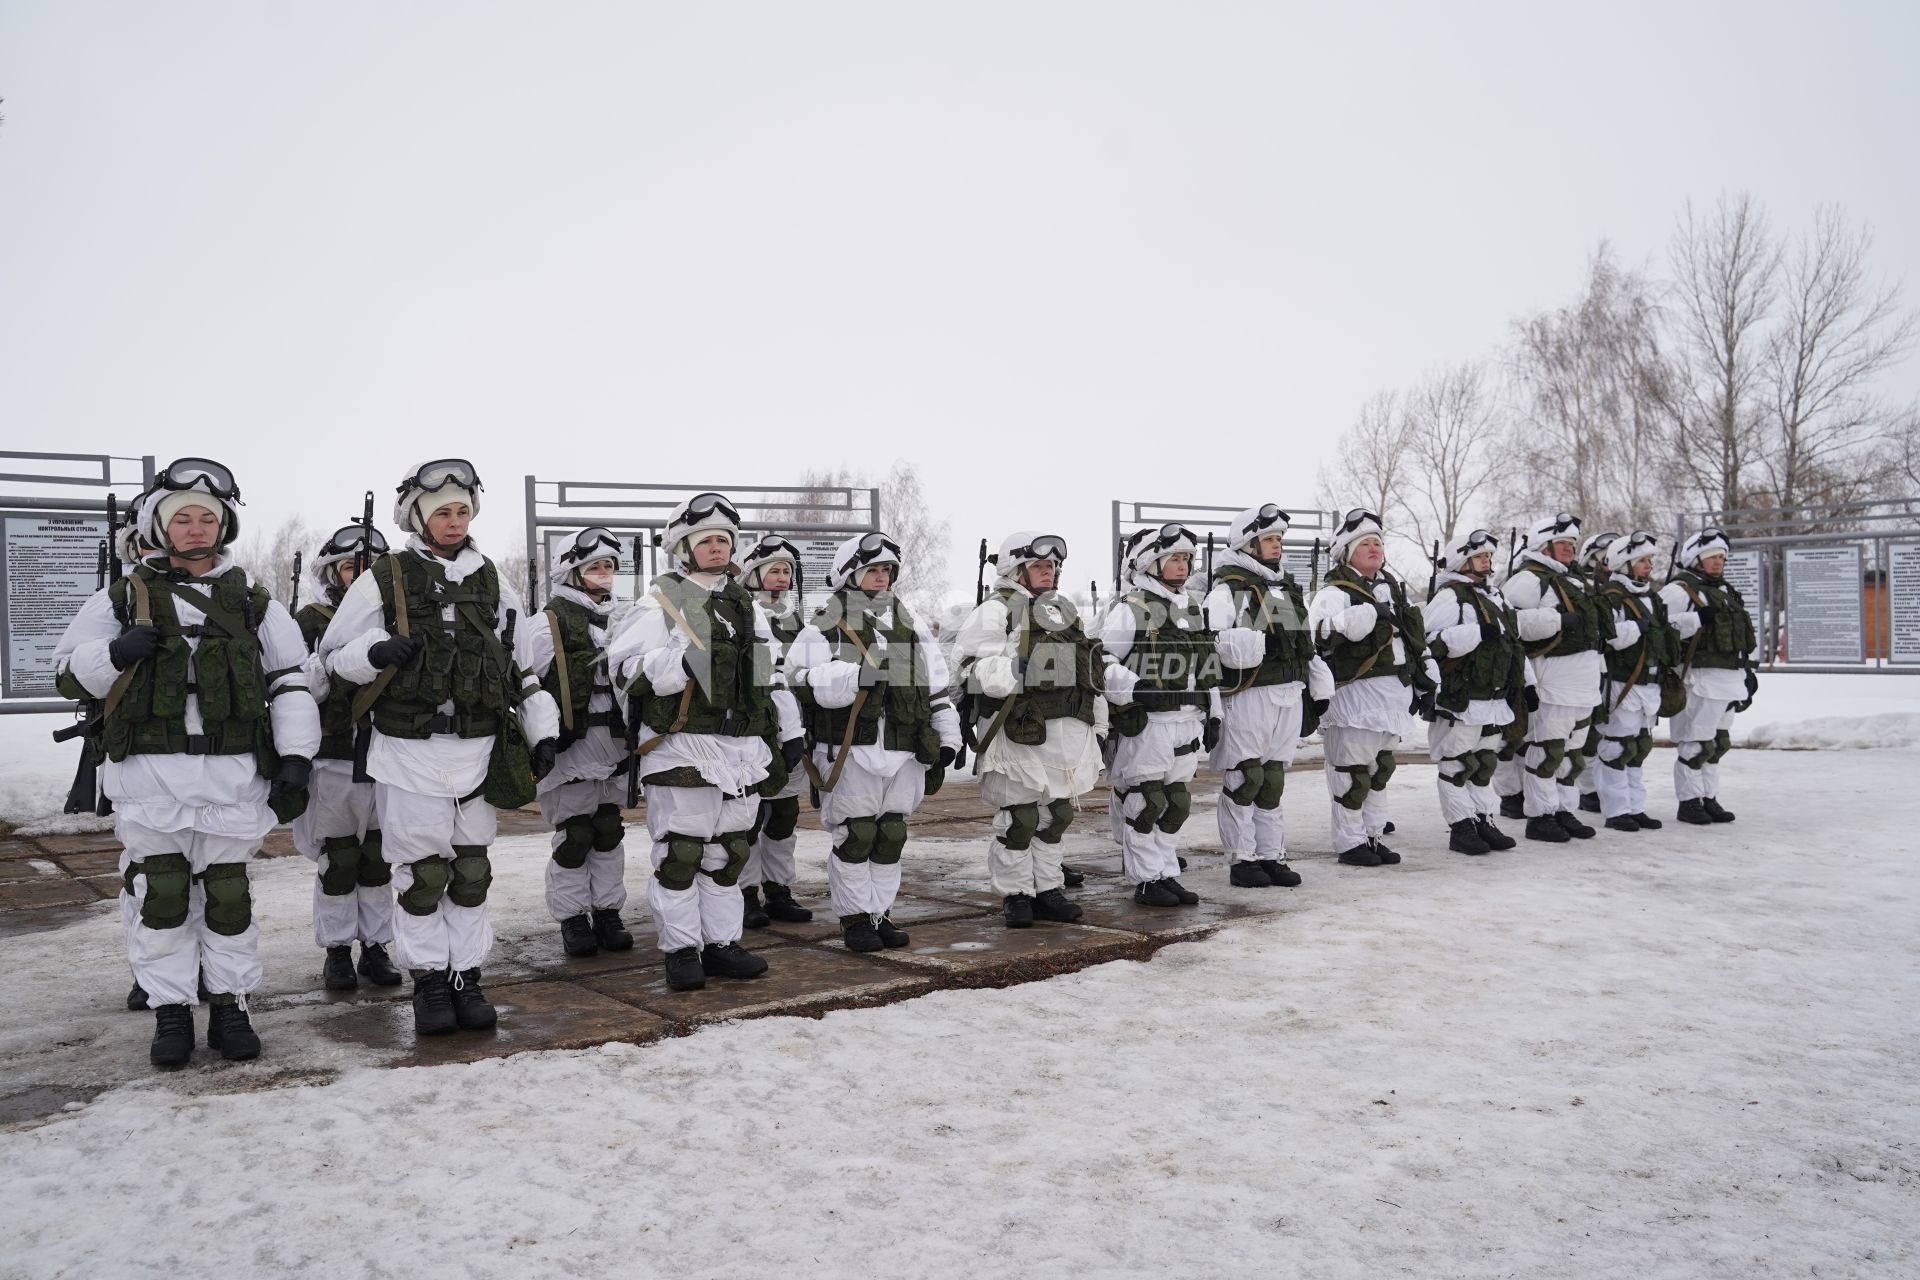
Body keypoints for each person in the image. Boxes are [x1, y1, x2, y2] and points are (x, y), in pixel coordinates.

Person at [54, 458, 320, 1066]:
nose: (197, 528)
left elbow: (291, 685)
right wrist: (114, 653)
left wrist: (296, 761)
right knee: (163, 894)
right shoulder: (121, 597)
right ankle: (170, 1011)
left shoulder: (255, 602)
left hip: (231, 778)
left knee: (228, 897)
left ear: (223, 526)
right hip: (150, 777)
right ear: (160, 526)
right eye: (184, 519)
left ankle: (230, 1006)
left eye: (209, 518)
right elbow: (67, 672)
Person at [319, 459, 560, 1035]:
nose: (454, 521)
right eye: (442, 512)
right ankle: (429, 981)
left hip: (477, 749)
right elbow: (330, 659)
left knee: (471, 871)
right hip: (407, 752)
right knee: (422, 875)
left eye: (462, 511)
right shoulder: (388, 576)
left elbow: (521, 667)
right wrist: (374, 653)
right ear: (419, 516)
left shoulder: (492, 578)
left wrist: (542, 732)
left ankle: (466, 978)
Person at [608, 494, 805, 989]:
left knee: (727, 854)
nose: (717, 547)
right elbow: (624, 670)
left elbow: (768, 672)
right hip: (682, 745)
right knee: (681, 854)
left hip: (742, 748)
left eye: (724, 539)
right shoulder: (661, 601)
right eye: (706, 540)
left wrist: (790, 728)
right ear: (683, 546)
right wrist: (678, 667)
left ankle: (720, 943)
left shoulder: (744, 605)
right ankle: (681, 951)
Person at [786, 531, 961, 949]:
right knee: (856, 834)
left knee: (891, 836)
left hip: (904, 749)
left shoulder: (909, 621)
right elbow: (797, 679)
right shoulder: (826, 624)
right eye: (871, 570)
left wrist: (948, 736)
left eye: (886, 570)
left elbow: (936, 687)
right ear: (850, 573)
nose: (880, 577)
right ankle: (855, 919)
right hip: (850, 750)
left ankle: (881, 912)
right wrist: (850, 677)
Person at [953, 531, 1105, 927]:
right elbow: (967, 669)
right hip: (1015, 731)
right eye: (1038, 565)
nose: (1048, 572)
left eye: (1052, 566)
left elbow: (1089, 672)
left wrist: (1100, 723)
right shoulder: (996, 610)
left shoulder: (1061, 611)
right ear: (1015, 569)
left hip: (1064, 732)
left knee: (1056, 815)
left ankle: (1048, 888)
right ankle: (1017, 893)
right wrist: (1006, 670)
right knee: (1020, 818)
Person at [291, 521, 402, 991]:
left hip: (388, 755)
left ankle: (375, 947)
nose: (360, 576)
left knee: (377, 859)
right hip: (333, 756)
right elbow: (298, 690)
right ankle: (337, 951)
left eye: (372, 568)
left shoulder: (399, 620)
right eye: (352, 568)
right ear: (331, 571)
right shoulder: (311, 621)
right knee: (338, 861)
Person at [1203, 505, 1333, 888]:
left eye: (1279, 539)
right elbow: (1211, 647)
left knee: (1272, 780)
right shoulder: (1227, 590)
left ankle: (1270, 854)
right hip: (1248, 697)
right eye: (1270, 539)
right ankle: (1242, 858)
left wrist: (1318, 685)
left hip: (1288, 694)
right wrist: (1247, 645)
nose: (1277, 546)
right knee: (1246, 777)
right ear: (1248, 543)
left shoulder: (1283, 589)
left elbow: (1303, 646)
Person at [526, 526, 636, 958]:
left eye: (609, 567)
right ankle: (573, 918)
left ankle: (608, 912)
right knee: (575, 835)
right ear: (571, 572)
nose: (605, 574)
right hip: (571, 746)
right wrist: (541, 738)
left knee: (608, 831)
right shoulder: (546, 623)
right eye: (595, 567)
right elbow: (527, 685)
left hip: (614, 744)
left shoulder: (625, 618)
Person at [1307, 509, 1437, 867]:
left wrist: (1427, 676)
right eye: (1365, 542)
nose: (1374, 547)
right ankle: (1350, 842)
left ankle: (1373, 835)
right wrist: (1356, 619)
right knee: (1352, 774)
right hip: (1354, 699)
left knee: (1380, 772)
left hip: (1392, 697)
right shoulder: (1334, 592)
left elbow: (1413, 641)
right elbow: (1316, 633)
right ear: (1347, 552)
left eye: (1378, 542)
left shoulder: (1393, 590)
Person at [1099, 524, 1219, 905]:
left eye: (1186, 559)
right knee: (1145, 802)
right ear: (1150, 563)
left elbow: (1207, 667)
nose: (1183, 566)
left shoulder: (1191, 610)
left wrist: (1214, 713)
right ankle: (1146, 878)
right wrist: (1133, 687)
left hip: (1185, 721)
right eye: (1174, 559)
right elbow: (1100, 661)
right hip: (1147, 724)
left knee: (1176, 803)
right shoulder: (1131, 610)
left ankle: (1167, 871)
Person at [1501, 513, 1616, 844]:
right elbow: (1509, 624)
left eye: (1572, 543)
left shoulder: (1576, 580)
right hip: (1551, 678)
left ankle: (1564, 810)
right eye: (1562, 543)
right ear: (1544, 545)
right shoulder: (1528, 580)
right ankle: (1540, 815)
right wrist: (1555, 621)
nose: (1569, 549)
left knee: (1573, 755)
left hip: (1584, 681)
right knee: (1546, 751)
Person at [1422, 528, 1530, 854]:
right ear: (1463, 560)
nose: (1487, 561)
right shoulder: (1450, 597)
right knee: (1456, 765)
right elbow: (1430, 643)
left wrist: (1528, 684)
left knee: (1483, 765)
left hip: (1494, 699)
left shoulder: (1495, 596)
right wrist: (1474, 633)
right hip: (1462, 698)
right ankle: (1461, 826)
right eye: (1480, 556)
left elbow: (1514, 645)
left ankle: (1483, 818)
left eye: (1488, 556)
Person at [734, 534, 816, 929]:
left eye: (787, 570)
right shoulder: (741, 613)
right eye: (774, 569)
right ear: (753, 573)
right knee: (750, 817)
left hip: (794, 728)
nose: (782, 577)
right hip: (756, 729)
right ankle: (745, 893)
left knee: (784, 815)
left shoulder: (799, 619)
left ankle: (779, 890)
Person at [1660, 529, 1758, 825]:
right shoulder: (1679, 590)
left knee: (1718, 743)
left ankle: (1709, 796)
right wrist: (1695, 620)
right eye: (1712, 557)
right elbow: (1661, 627)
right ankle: (1689, 801)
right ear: (1696, 558)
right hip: (1698, 677)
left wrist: (1746, 671)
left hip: (1728, 676)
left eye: (1721, 557)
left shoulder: (1725, 591)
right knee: (1696, 742)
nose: (1719, 562)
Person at [1594, 530, 1679, 832]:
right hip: (1622, 683)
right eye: (1641, 560)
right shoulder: (1611, 597)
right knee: (1617, 748)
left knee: (1638, 747)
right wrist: (1638, 627)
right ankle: (1617, 811)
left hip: (1648, 685)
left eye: (1648, 560)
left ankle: (1635, 807)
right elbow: (1609, 638)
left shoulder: (1651, 598)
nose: (1648, 566)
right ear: (1625, 563)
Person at [1573, 530, 1620, 816]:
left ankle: (1598, 789)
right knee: (1583, 733)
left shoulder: (1617, 586)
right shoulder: (1581, 585)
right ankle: (1588, 790)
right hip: (1580, 668)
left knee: (1604, 732)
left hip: (1608, 668)